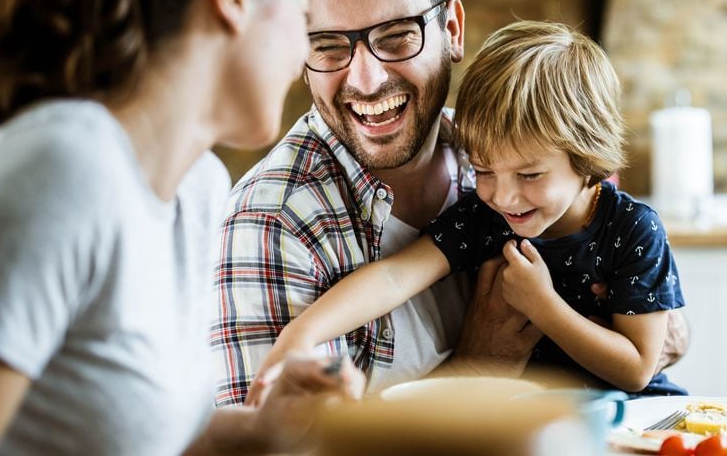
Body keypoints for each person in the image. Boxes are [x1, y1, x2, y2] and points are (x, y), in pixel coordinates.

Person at [0, 0, 363, 454]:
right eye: (302, 14)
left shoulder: (196, 187)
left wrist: (263, 430)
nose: (303, 50)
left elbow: (148, 436)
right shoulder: (63, 172)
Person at [213, 0, 546, 407]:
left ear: (452, 31)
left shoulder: (511, 161)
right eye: (328, 46)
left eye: (396, 37)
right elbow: (282, 442)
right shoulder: (273, 223)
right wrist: (479, 368)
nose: (366, 80)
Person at [252, 21, 688, 396]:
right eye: (483, 170)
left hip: (631, 420)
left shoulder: (633, 229)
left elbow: (636, 369)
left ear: (588, 157)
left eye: (529, 175)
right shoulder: (483, 218)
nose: (504, 197)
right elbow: (393, 277)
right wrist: (301, 334)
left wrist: (542, 305)